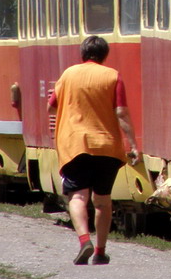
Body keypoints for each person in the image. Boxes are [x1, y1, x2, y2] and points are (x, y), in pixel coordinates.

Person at [47, 36, 138, 265]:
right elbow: (121, 113)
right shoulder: (113, 76)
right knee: (103, 200)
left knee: (77, 195)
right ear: (105, 55)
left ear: (82, 54)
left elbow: (51, 106)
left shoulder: (68, 74)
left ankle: (84, 240)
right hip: (107, 146)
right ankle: (100, 251)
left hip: (75, 145)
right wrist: (133, 145)